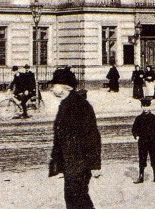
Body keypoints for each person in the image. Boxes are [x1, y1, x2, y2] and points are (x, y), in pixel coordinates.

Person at [48, 68, 101, 209]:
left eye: (54, 85)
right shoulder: (66, 104)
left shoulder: (80, 105)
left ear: (64, 87)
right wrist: (57, 165)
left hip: (80, 162)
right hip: (71, 163)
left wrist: (95, 164)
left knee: (78, 199)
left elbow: (92, 135)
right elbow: (59, 139)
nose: (51, 88)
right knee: (74, 199)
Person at [132, 97, 155, 184]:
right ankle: (141, 176)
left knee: (154, 158)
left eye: (147, 106)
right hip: (142, 142)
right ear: (141, 107)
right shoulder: (138, 118)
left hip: (152, 141)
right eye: (143, 106)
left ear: (150, 106)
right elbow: (134, 129)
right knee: (142, 158)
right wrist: (136, 135)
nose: (145, 108)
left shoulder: (154, 117)